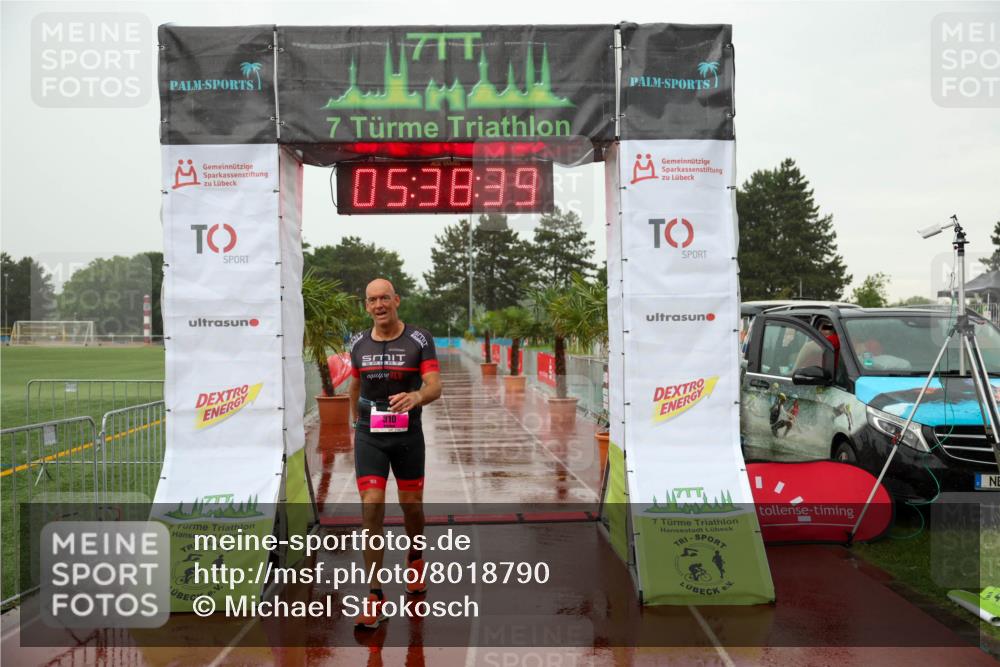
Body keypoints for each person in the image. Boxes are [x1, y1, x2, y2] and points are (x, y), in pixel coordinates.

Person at [349, 278, 442, 629]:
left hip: (407, 436)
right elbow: (355, 385)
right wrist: (352, 421)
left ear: (397, 300)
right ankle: (375, 595)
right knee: (371, 505)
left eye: (384, 298)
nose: (378, 305)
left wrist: (416, 396)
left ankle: (415, 558)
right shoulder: (357, 342)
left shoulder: (419, 339)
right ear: (366, 305)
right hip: (370, 436)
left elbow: (435, 385)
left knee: (411, 506)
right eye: (372, 299)